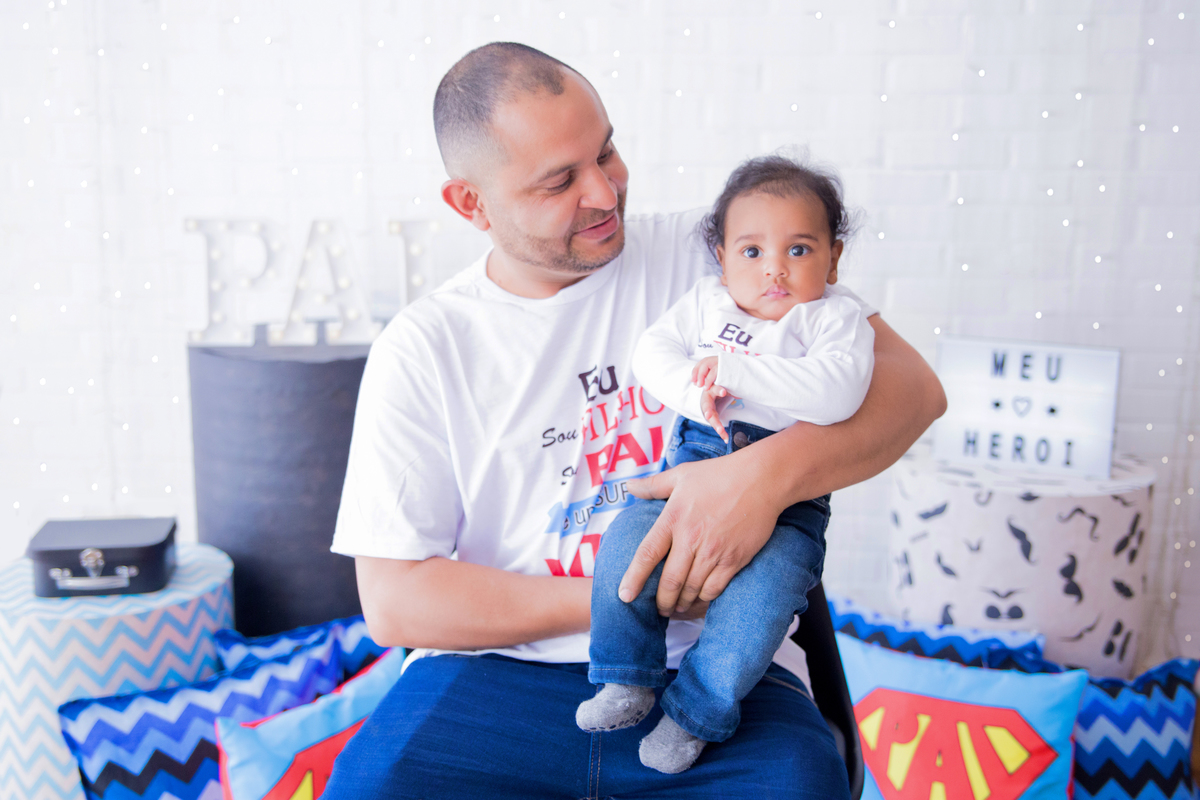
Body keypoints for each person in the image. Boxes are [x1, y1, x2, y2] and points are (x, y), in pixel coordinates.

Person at [323, 41, 945, 799]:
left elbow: (913, 390)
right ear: (470, 204)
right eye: (559, 181)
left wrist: (757, 481)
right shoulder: (424, 346)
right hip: (492, 679)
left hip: (717, 667)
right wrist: (627, 592)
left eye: (606, 151)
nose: (604, 192)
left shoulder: (717, 253)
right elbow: (394, 601)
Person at [577, 153, 874, 774]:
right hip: (696, 453)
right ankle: (627, 676)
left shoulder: (833, 319)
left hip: (792, 501)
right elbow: (650, 352)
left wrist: (735, 370)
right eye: (751, 251)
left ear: (833, 258)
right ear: (720, 257)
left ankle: (694, 714)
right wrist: (695, 389)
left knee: (758, 610)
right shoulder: (707, 303)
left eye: (798, 250)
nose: (774, 270)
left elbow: (838, 393)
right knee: (623, 552)